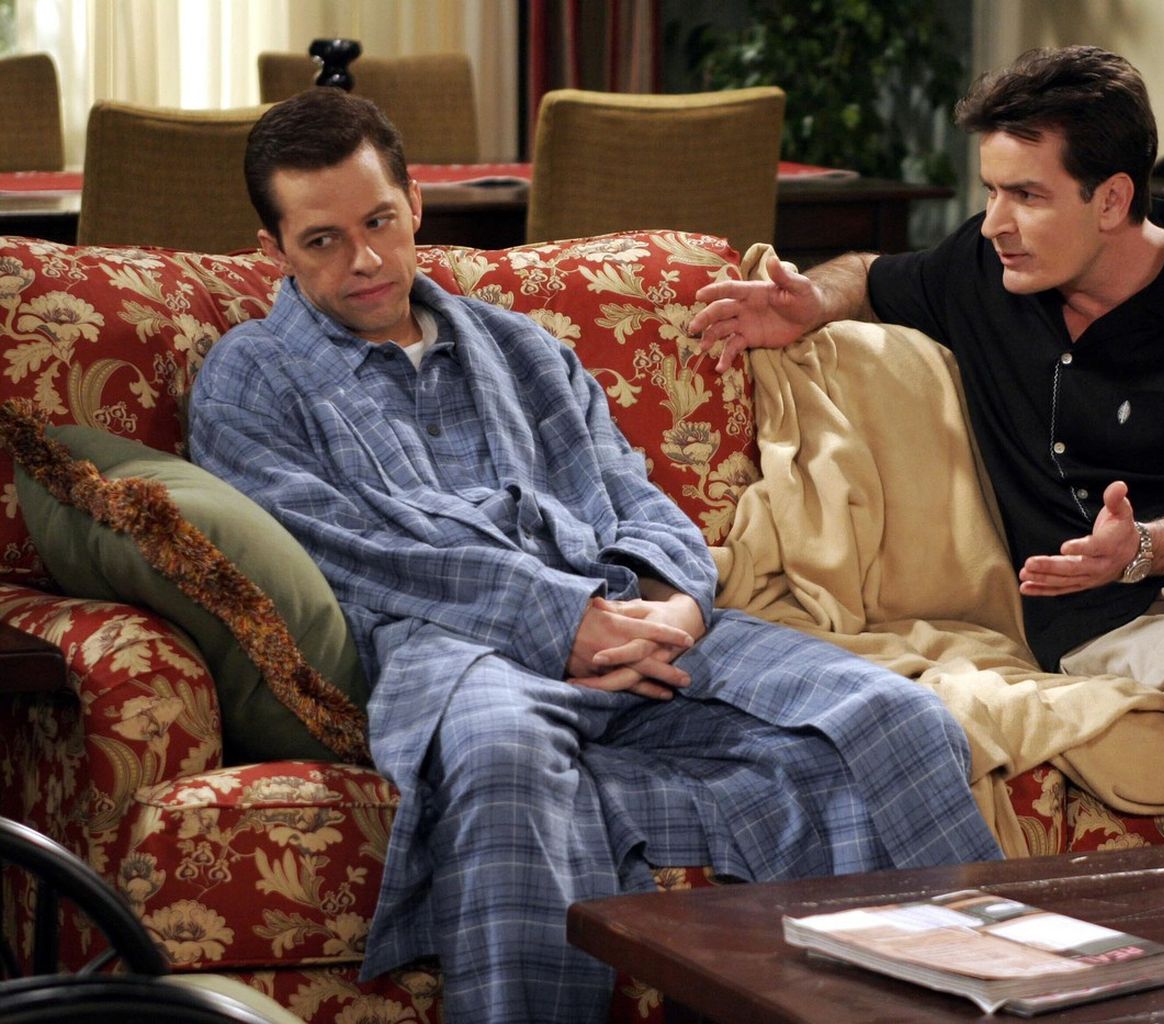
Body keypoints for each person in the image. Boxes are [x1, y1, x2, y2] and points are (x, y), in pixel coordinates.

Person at [188, 88, 1001, 1023]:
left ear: (415, 204)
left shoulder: (521, 346)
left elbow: (632, 492)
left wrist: (679, 602)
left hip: (631, 618)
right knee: (504, 763)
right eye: (323, 240)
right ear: (274, 251)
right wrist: (555, 619)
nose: (364, 259)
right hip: (456, 651)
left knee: (899, 719)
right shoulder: (249, 377)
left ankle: (971, 1000)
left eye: (378, 221)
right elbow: (348, 552)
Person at [690, 45, 1164, 828]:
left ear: (1112, 198)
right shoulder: (984, 269)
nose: (995, 222)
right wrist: (811, 301)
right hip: (1100, 623)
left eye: (1026, 195)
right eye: (992, 190)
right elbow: (873, 273)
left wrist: (1149, 546)